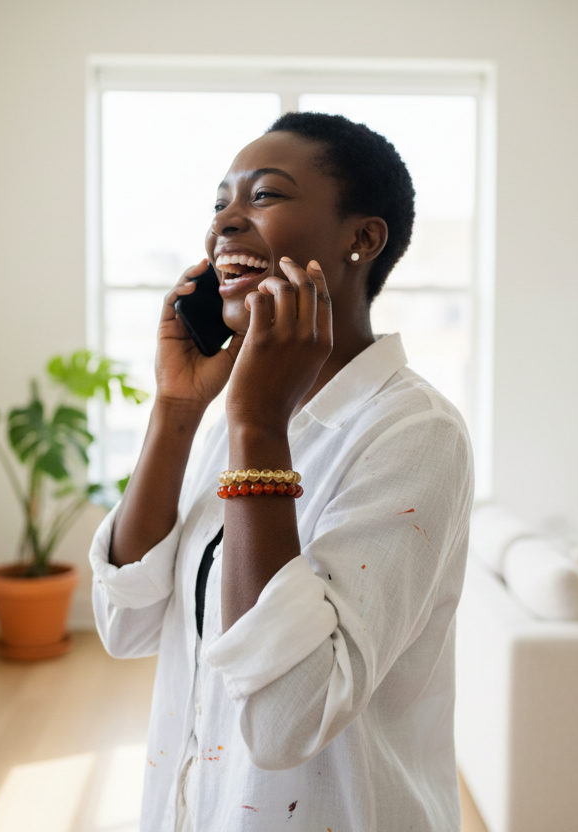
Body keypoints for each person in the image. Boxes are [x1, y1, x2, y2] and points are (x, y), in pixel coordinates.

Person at [89, 111, 474, 831]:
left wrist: (258, 425)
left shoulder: (414, 433)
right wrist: (176, 407)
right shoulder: (235, 416)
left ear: (361, 238)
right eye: (220, 203)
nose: (225, 224)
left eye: (263, 196)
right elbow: (126, 622)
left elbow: (285, 720)